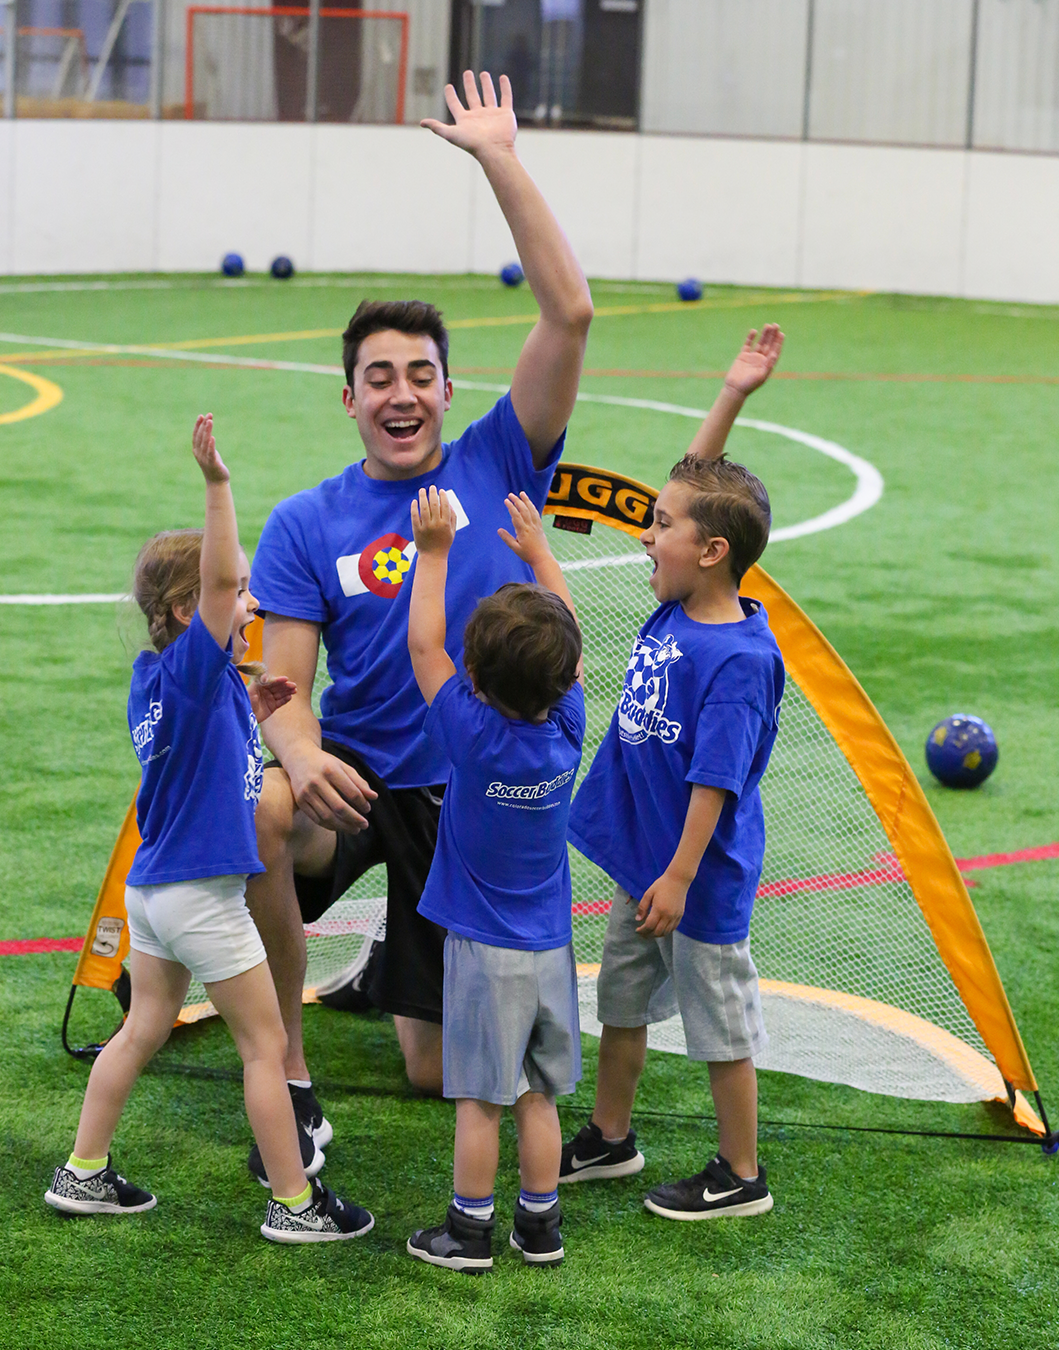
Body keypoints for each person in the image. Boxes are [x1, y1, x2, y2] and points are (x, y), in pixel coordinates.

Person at [245, 68, 593, 1158]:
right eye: (379, 376)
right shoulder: (307, 520)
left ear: (451, 389)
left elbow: (569, 311)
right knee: (258, 806)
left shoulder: (503, 455)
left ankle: (386, 964)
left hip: (466, 792)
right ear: (349, 398)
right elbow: (281, 686)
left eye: (421, 374)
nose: (402, 392)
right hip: (357, 775)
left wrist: (500, 158)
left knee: (440, 1071)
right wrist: (299, 757)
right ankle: (286, 1067)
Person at [44, 415, 373, 1245]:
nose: (251, 602)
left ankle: (82, 1172)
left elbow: (198, 735)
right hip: (200, 896)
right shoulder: (199, 660)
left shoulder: (163, 678)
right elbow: (222, 591)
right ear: (194, 608)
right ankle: (297, 1206)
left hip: (152, 891)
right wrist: (219, 486)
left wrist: (248, 711)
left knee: (142, 1027)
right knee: (265, 1048)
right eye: (238, 593)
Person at [559, 325, 787, 1220]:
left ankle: (740, 1173)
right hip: (643, 865)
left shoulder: (734, 658)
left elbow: (716, 781)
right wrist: (731, 391)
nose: (646, 536)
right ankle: (612, 1137)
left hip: (692, 879)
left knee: (719, 1025)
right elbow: (700, 476)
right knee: (621, 1001)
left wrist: (681, 876)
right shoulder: (680, 599)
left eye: (659, 527)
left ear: (711, 553)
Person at [403, 488, 584, 1271]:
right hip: (552, 951)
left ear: (474, 676)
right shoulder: (569, 728)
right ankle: (539, 1227)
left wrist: (435, 552)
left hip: (484, 952)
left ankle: (468, 1231)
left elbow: (421, 649)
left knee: (480, 1099)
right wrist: (542, 554)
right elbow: (566, 645)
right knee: (537, 1096)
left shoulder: (472, 735)